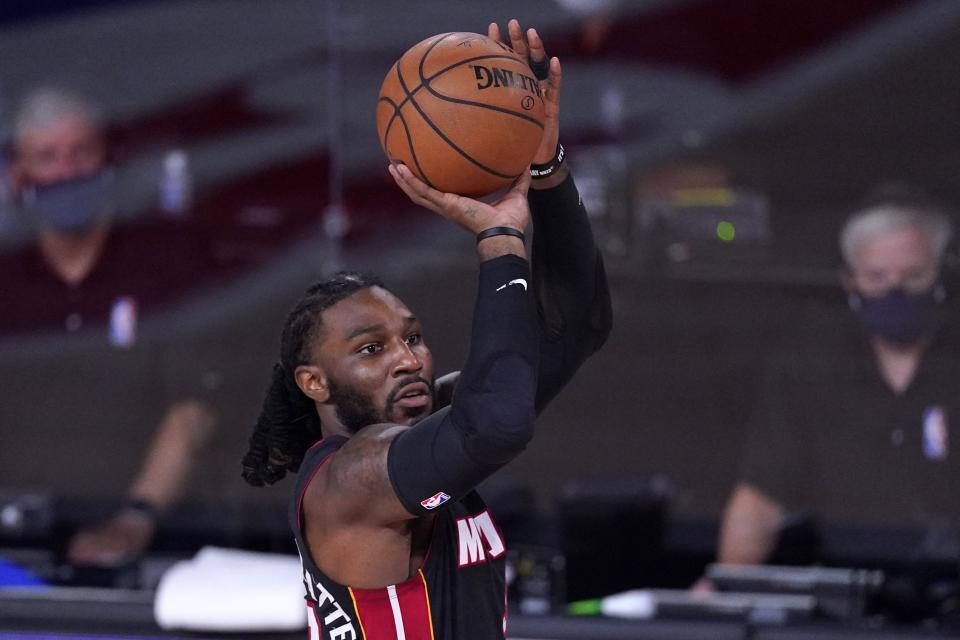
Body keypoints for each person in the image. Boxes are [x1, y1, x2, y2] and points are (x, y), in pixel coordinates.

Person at [241, 19, 611, 639]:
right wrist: (498, 238)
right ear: (314, 382)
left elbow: (577, 326)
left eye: (412, 337)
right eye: (371, 349)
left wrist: (545, 167)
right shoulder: (349, 481)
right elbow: (497, 423)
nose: (408, 360)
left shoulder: (427, 433)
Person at [0, 86, 220, 566]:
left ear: (107, 160)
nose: (68, 171)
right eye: (47, 157)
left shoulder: (164, 258)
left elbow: (195, 406)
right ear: (19, 176)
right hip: (18, 543)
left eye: (81, 153)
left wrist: (134, 519)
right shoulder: (6, 272)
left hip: (154, 546)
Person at [715, 194, 960, 569]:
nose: (896, 290)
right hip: (845, 589)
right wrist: (726, 586)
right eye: (876, 277)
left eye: (913, 276)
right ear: (849, 281)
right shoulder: (811, 361)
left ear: (939, 275)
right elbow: (762, 495)